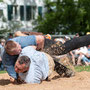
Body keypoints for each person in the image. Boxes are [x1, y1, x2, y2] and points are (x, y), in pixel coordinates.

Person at [2, 31, 90, 82]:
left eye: (19, 46)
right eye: (19, 49)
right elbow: (13, 76)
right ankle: (68, 73)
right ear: (13, 54)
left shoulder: (22, 42)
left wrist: (40, 51)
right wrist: (16, 78)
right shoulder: (7, 59)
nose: (21, 48)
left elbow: (40, 38)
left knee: (64, 48)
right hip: (32, 52)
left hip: (43, 44)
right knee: (46, 62)